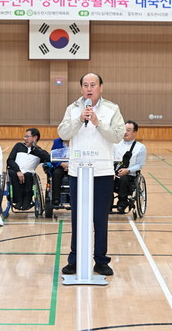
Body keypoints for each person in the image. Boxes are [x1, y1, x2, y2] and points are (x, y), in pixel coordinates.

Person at [59, 73, 125, 276]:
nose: (89, 89)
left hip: (102, 171)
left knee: (100, 218)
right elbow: (63, 133)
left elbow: (117, 136)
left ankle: (101, 260)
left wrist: (98, 123)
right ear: (81, 89)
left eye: (93, 85)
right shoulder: (73, 109)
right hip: (78, 171)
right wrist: (79, 120)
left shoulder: (111, 109)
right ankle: (75, 259)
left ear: (101, 87)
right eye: (85, 85)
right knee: (78, 217)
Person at [6, 128, 50, 211]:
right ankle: (18, 200)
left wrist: (35, 149)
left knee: (29, 175)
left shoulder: (38, 151)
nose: (24, 138)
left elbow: (48, 158)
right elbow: (10, 160)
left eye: (27, 136)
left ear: (35, 138)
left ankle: (27, 200)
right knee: (12, 173)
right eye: (24, 136)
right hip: (16, 171)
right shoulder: (18, 146)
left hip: (28, 174)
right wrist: (18, 171)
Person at [113, 120, 146, 213]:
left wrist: (127, 170)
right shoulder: (115, 144)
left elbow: (140, 165)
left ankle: (122, 203)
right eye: (124, 130)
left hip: (130, 176)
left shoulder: (140, 147)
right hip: (114, 174)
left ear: (135, 132)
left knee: (124, 179)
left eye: (128, 130)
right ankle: (107, 202)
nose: (125, 132)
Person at [50, 137, 69, 206]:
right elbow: (53, 156)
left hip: (74, 166)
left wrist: (71, 165)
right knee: (56, 173)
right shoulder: (57, 141)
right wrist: (61, 164)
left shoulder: (77, 140)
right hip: (61, 165)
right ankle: (56, 198)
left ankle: (74, 198)